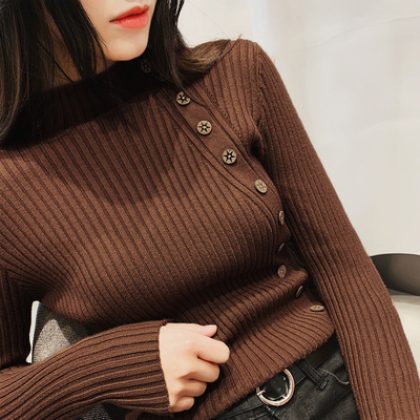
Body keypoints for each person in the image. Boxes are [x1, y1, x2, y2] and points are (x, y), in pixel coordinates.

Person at [0, 1, 419, 419]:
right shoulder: (9, 184)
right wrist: (110, 366)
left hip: (337, 386)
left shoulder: (235, 74)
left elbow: (345, 274)